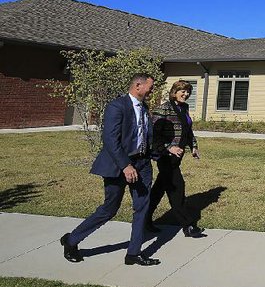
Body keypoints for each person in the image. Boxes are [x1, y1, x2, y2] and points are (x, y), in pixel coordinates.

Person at [59, 73, 160, 266]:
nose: (152, 90)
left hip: (142, 165)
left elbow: (144, 137)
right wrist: (126, 165)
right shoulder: (117, 106)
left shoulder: (144, 108)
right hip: (119, 165)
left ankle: (134, 253)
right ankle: (71, 240)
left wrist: (155, 155)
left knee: (142, 208)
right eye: (150, 86)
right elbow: (111, 140)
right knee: (109, 209)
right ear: (138, 86)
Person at [145, 80, 205, 238]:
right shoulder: (163, 108)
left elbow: (188, 130)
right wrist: (168, 147)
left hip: (177, 157)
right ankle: (188, 225)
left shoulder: (184, 107)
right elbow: (153, 135)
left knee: (158, 189)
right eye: (182, 91)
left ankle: (143, 219)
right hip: (165, 156)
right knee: (177, 188)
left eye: (187, 92)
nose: (185, 94)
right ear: (174, 91)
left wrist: (193, 146)